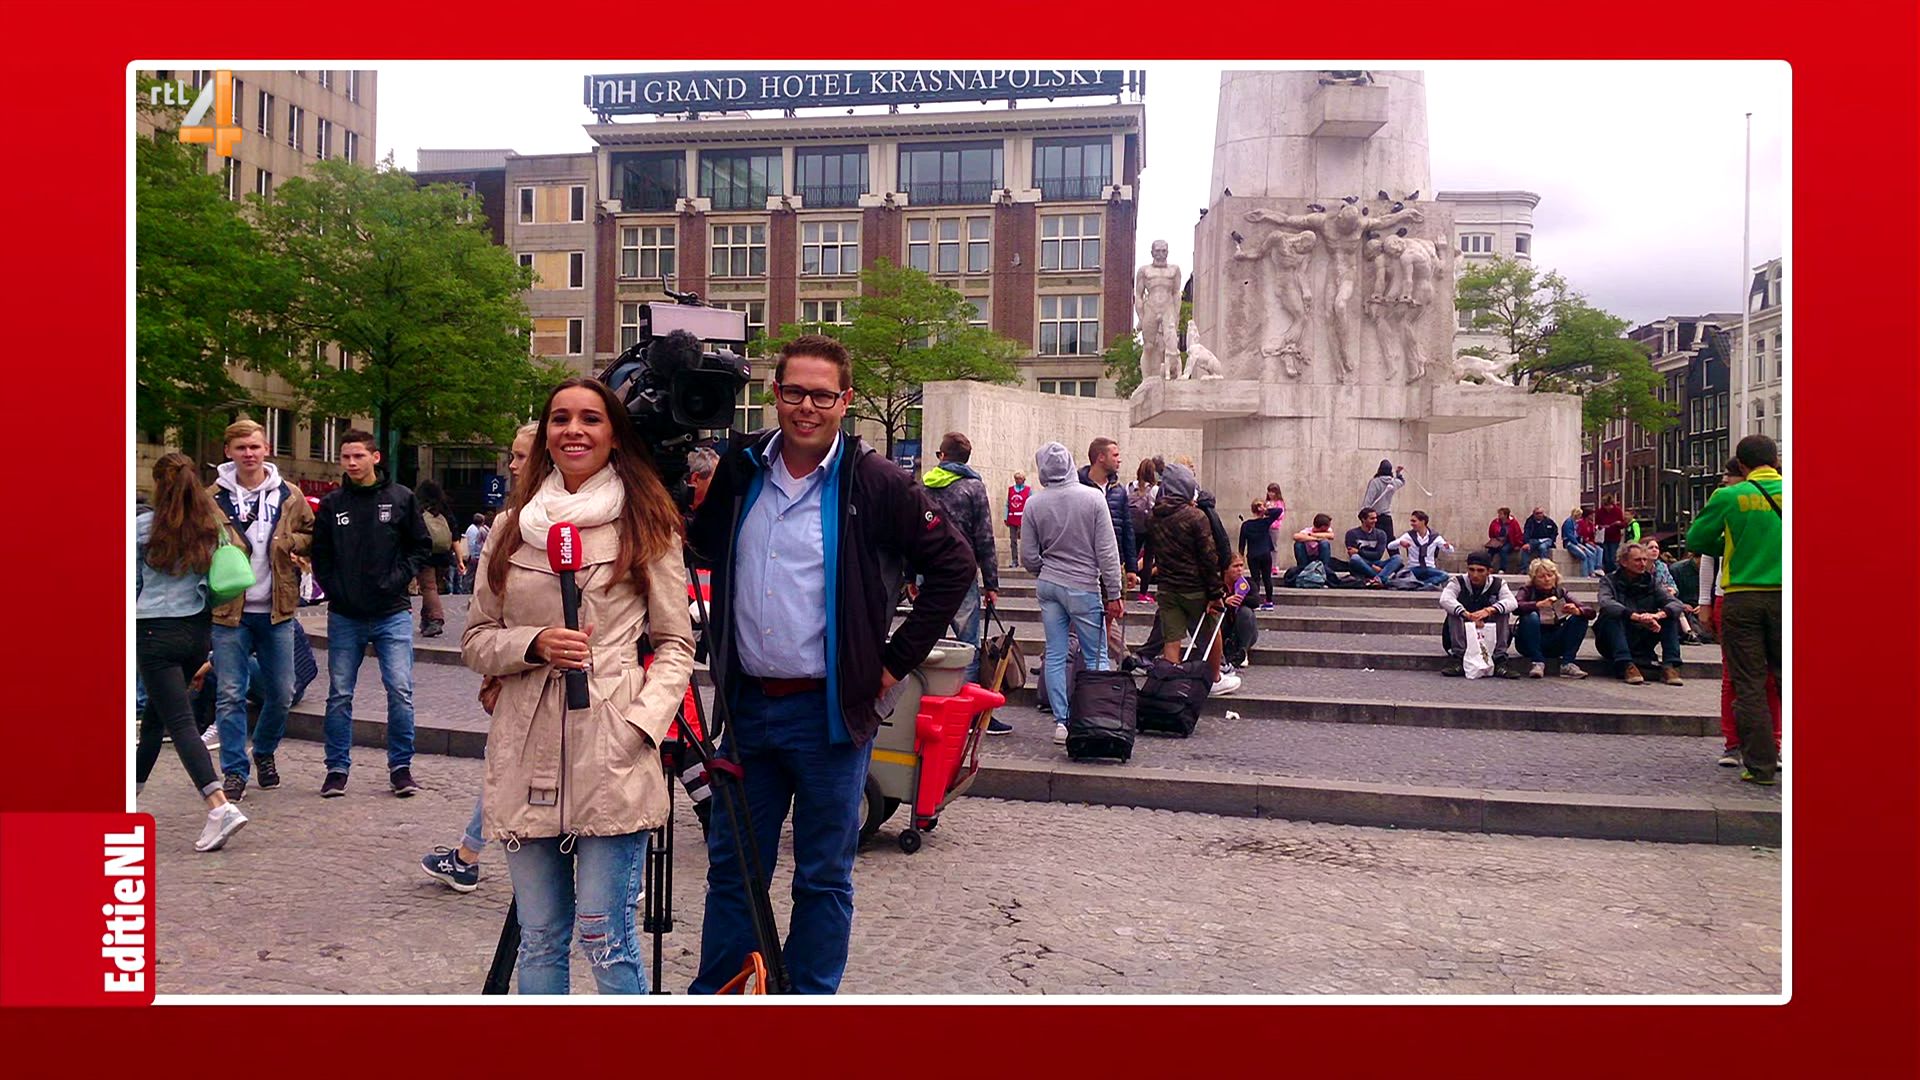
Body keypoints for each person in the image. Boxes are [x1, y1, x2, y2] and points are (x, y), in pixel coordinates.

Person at [687, 334, 973, 995]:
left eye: (821, 395)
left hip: (831, 715)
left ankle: (807, 1008)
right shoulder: (743, 466)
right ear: (775, 393)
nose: (806, 407)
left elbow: (954, 564)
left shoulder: (876, 481)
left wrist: (892, 664)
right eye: (794, 392)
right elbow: (701, 547)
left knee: (821, 876)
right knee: (734, 872)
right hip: (749, 708)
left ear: (845, 401)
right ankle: (721, 1004)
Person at [460, 377, 695, 994]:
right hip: (526, 744)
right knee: (540, 934)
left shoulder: (647, 524)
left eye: (590, 418)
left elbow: (676, 643)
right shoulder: (510, 529)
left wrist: (641, 725)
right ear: (545, 434)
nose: (573, 430)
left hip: (611, 742)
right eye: (560, 418)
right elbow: (477, 638)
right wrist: (532, 643)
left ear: (613, 435)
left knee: (604, 932)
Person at [422, 423, 537, 893]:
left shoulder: (528, 522)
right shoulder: (509, 523)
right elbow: (486, 614)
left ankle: (468, 855)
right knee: (506, 765)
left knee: (510, 767)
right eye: (512, 455)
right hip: (519, 664)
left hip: (550, 674)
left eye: (521, 456)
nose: (512, 465)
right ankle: (467, 854)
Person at [136, 453, 249, 852]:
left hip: (155, 632)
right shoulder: (210, 526)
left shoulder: (143, 527)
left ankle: (219, 806)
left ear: (158, 484)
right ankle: (129, 795)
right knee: (157, 718)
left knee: (181, 723)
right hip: (198, 632)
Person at [311, 429, 432, 798]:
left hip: (391, 611)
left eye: (358, 456)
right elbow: (321, 555)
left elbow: (420, 546)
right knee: (340, 693)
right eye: (346, 457)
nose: (351, 463)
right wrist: (336, 588)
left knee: (400, 690)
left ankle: (401, 768)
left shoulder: (401, 498)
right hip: (345, 613)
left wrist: (397, 579)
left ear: (375, 457)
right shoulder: (333, 504)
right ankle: (336, 769)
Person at [205, 419, 314, 802]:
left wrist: (290, 542)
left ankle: (264, 750)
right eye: (241, 448)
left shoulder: (289, 494)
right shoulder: (211, 497)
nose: (248, 454)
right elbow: (197, 543)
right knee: (230, 694)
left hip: (276, 609)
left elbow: (311, 533)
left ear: (266, 448)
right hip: (229, 612)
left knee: (282, 692)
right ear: (228, 452)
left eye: (254, 447)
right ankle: (234, 771)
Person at [1686, 435, 1783, 785]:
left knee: (1749, 683)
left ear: (1741, 464)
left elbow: (1696, 541)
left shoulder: (1728, 496)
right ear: (1776, 460)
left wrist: (1732, 541)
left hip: (1743, 596)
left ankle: (1760, 767)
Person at [1021, 441, 1126, 742]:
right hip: (1083, 585)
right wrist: (1115, 593)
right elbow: (1107, 552)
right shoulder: (1093, 498)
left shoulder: (1033, 503)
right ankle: (1096, 717)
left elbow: (1028, 556)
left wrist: (1044, 571)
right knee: (1096, 654)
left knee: (1055, 653)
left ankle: (1061, 722)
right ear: (1069, 463)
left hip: (1049, 585)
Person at [1145, 463, 1233, 693]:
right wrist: (1216, 593)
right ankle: (1215, 678)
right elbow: (1208, 557)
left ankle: (1171, 683)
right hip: (1196, 588)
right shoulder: (1196, 517)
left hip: (1167, 587)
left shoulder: (1154, 517)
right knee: (1212, 633)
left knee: (1172, 639)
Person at [921, 431, 999, 688]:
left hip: (928, 572)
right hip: (961, 575)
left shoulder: (924, 486)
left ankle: (929, 697)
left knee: (927, 641)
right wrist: (991, 584)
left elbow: (911, 532)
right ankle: (966, 702)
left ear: (942, 456)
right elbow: (984, 537)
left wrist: (910, 576)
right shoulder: (974, 488)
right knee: (968, 645)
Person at [1079, 437, 1140, 660]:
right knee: (1082, 616)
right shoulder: (1078, 486)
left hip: (1113, 563)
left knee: (1108, 615)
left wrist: (1131, 567)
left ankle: (1100, 661)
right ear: (1100, 457)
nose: (1119, 459)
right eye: (1115, 455)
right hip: (1084, 562)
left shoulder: (1119, 491)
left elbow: (1127, 529)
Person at [1595, 543, 1686, 686]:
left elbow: (1675, 603)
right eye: (1637, 560)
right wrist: (1636, 617)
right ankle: (1626, 666)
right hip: (1614, 638)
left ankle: (1670, 666)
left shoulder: (1652, 582)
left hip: (1643, 634)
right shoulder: (1609, 581)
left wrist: (1657, 616)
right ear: (1624, 562)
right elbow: (1606, 602)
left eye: (1644, 559)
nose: (1643, 564)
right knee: (1611, 615)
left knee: (1670, 616)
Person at [1439, 551, 1520, 677]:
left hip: (1488, 631)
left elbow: (1512, 602)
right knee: (1454, 611)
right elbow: (1445, 599)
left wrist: (1489, 610)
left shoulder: (1498, 584)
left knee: (1502, 612)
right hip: (1463, 629)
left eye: (1480, 571)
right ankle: (1458, 658)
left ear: (1489, 571)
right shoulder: (1457, 582)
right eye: (1471, 570)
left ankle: (1500, 659)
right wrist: (1467, 614)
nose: (1475, 575)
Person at [1512, 559, 1590, 679]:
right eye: (1542, 577)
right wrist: (1537, 605)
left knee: (1580, 618)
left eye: (1550, 575)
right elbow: (1516, 606)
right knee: (1531, 616)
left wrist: (1577, 610)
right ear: (1534, 579)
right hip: (1529, 642)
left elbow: (1590, 611)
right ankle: (1537, 662)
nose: (1547, 579)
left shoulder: (1560, 592)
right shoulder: (1527, 590)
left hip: (1554, 639)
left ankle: (1568, 663)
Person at [414, 479, 454, 637]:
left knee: (428, 587)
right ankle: (426, 620)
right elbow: (454, 530)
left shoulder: (419, 509)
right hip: (443, 555)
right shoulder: (443, 509)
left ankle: (436, 619)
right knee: (432, 587)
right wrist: (458, 558)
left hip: (426, 554)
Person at [1394, 510, 1453, 587]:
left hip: (1429, 568)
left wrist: (1448, 547)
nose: (1411, 524)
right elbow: (1390, 546)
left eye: (1414, 521)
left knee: (1444, 575)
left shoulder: (1435, 537)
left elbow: (1450, 551)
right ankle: (1427, 584)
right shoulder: (1408, 536)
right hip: (1414, 568)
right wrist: (1400, 542)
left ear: (1423, 522)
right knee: (1400, 575)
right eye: (1411, 521)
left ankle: (1421, 584)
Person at [1344, 508, 1402, 587]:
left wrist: (1358, 551)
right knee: (1355, 558)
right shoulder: (1352, 534)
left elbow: (1378, 555)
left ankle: (1377, 579)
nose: (1375, 521)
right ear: (1363, 519)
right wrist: (1372, 566)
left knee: (1397, 558)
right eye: (1372, 518)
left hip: (1377, 563)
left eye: (1376, 518)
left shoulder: (1381, 534)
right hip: (1361, 564)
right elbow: (1352, 555)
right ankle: (1381, 578)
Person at [1221, 553, 1260, 668]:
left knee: (1246, 612)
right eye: (1235, 566)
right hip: (1224, 628)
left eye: (1241, 565)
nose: (1239, 569)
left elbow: (1256, 601)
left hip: (1245, 630)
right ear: (1225, 569)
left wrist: (1239, 599)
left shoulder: (1247, 583)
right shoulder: (1217, 585)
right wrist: (1225, 600)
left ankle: (1243, 652)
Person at [1127, 460, 1159, 602]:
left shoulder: (1130, 486)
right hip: (1149, 528)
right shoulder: (1154, 489)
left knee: (1130, 557)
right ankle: (1143, 593)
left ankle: (1126, 585)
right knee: (1148, 560)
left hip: (1133, 527)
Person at [1238, 500, 1278, 608]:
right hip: (1265, 553)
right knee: (1267, 578)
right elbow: (1278, 511)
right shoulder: (1265, 522)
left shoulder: (1246, 525)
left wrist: (1240, 557)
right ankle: (1269, 601)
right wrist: (1266, 511)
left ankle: (1256, 600)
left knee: (1255, 578)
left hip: (1253, 555)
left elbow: (1242, 543)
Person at [1360, 459, 1406, 541]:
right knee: (1390, 542)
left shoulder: (1375, 482)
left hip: (1374, 517)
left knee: (1374, 541)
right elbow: (1401, 482)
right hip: (1387, 517)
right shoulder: (1393, 482)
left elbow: (1368, 500)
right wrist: (1398, 473)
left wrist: (1363, 515)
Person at [1563, 506, 1601, 577]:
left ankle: (1592, 572)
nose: (1580, 517)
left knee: (1590, 554)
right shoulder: (1568, 522)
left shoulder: (1575, 523)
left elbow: (1578, 534)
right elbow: (1570, 535)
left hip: (1577, 542)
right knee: (1583, 556)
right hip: (1570, 543)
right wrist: (1578, 544)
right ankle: (1585, 574)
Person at [1485, 507, 1525, 573]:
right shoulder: (1495, 522)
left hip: (1509, 542)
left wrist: (1518, 544)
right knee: (1490, 551)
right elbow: (1491, 532)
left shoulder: (1513, 522)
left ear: (1506, 515)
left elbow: (1517, 534)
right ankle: (1488, 567)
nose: (1499, 515)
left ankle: (1502, 569)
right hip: (1498, 541)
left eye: (1501, 514)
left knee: (1503, 550)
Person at [460, 512, 491, 595]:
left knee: (473, 574)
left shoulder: (475, 529)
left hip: (475, 555)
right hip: (474, 556)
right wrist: (474, 555)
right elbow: (472, 544)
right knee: (470, 574)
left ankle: (469, 590)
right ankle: (465, 590)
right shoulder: (474, 530)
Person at [1004, 471, 1030, 569]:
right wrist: (1005, 516)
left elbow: (1030, 504)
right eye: (1016, 479)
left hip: (1023, 519)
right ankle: (1014, 560)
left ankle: (1025, 560)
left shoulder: (1028, 490)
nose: (1017, 481)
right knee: (1013, 541)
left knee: (1024, 541)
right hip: (1012, 518)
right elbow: (1008, 504)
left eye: (1019, 479)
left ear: (1023, 480)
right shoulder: (1011, 490)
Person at [1595, 494, 1627, 573]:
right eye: (1606, 506)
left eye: (1609, 506)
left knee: (1612, 557)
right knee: (1605, 557)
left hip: (1614, 538)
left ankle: (1613, 572)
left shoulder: (1617, 511)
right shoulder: (1600, 512)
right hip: (1603, 538)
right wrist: (1601, 526)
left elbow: (1623, 524)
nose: (1608, 508)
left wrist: (1618, 524)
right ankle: (1607, 573)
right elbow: (1596, 524)